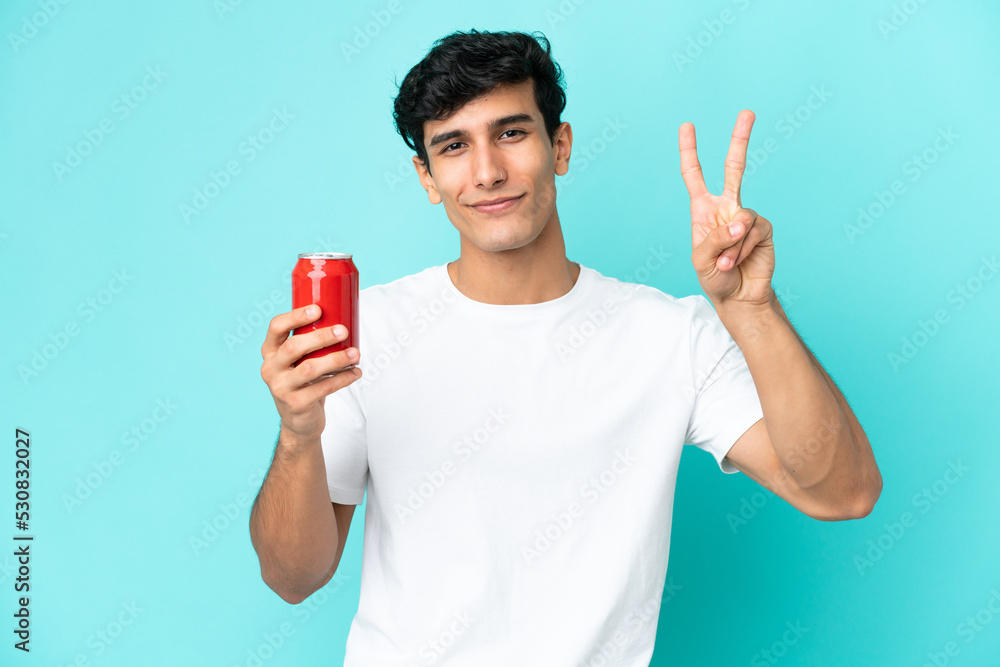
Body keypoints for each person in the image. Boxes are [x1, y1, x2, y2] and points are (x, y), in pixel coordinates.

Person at [249, 29, 882, 666]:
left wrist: (753, 309)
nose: (488, 171)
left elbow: (842, 493)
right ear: (427, 176)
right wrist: (299, 434)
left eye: (512, 133)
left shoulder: (670, 336)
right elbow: (293, 577)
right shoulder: (369, 333)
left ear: (561, 146)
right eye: (453, 146)